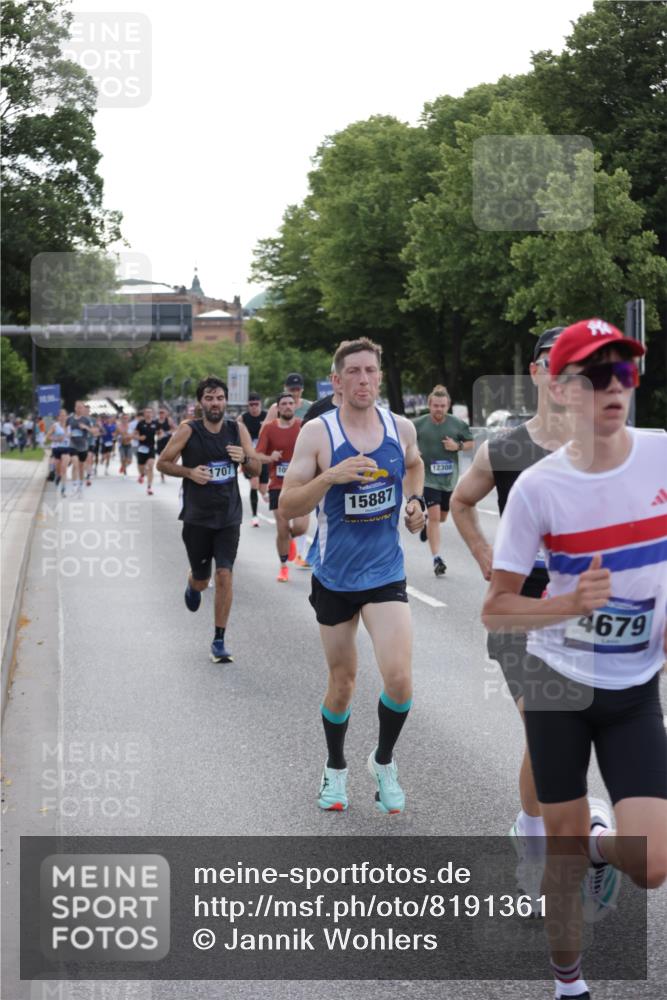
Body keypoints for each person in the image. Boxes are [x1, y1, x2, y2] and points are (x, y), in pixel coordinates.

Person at [482, 319, 667, 1000]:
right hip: (558, 684)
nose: (610, 386)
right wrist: (567, 605)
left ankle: (597, 843)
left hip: (633, 691)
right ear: (560, 389)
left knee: (650, 863)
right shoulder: (537, 487)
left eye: (621, 370)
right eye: (592, 374)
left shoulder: (661, 458)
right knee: (555, 853)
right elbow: (496, 609)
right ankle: (569, 986)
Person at [280, 337, 425, 814]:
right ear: (337, 382)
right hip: (335, 576)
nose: (364, 379)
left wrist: (416, 502)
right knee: (343, 682)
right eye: (354, 372)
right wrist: (330, 478)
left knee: (400, 680)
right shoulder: (317, 434)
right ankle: (335, 768)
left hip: (385, 574)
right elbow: (288, 504)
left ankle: (383, 761)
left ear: (379, 376)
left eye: (371, 370)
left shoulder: (399, 427)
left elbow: (415, 464)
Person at [451, 327, 568, 904]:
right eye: (555, 361)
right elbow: (460, 503)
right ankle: (541, 848)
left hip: (588, 614)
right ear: (538, 372)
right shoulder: (505, 447)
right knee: (547, 726)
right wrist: (482, 554)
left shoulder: (612, 445)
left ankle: (532, 828)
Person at [157, 375, 258, 663]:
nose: (215, 403)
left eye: (220, 398)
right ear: (201, 402)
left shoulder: (237, 429)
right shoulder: (189, 430)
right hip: (197, 518)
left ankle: (219, 639)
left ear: (226, 401)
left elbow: (255, 470)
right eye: (210, 398)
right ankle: (193, 583)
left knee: (224, 574)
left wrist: (244, 460)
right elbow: (162, 463)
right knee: (203, 580)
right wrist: (189, 473)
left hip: (229, 517)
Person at [413, 385, 473, 576]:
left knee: (442, 518)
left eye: (442, 406)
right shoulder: (418, 424)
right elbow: (405, 440)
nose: (439, 409)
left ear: (448, 406)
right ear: (429, 405)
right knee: (435, 516)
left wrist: (458, 446)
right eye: (435, 405)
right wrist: (413, 450)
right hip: (427, 479)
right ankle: (436, 559)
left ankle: (426, 527)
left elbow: (471, 444)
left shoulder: (457, 424)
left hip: (449, 479)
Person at [255, 393, 309, 582]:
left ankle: (290, 539)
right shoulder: (269, 428)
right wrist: (270, 458)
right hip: (278, 484)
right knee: (282, 527)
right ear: (277, 408)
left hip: (302, 483)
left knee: (301, 527)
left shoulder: (303, 426)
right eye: (283, 404)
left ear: (295, 406)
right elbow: (257, 455)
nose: (287, 406)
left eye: (290, 403)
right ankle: (284, 566)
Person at [237, 392, 268, 526]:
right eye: (251, 405)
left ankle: (265, 494)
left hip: (264, 457)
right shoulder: (242, 419)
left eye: (256, 404)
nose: (254, 407)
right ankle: (255, 516)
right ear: (248, 405)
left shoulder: (267, 416)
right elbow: (236, 438)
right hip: (250, 458)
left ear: (260, 404)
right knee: (254, 484)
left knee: (262, 489)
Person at [67, 401, 94, 495]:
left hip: (83, 446)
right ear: (75, 408)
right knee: (75, 464)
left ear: (83, 409)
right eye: (77, 407)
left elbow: (92, 431)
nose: (79, 409)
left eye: (81, 407)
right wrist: (67, 434)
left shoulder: (86, 420)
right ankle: (74, 485)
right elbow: (65, 429)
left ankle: (81, 484)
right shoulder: (69, 419)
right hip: (72, 445)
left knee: (81, 467)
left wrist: (85, 427)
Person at [46, 409, 72, 496]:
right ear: (58, 417)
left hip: (66, 449)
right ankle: (57, 478)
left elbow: (72, 437)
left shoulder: (69, 426)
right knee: (58, 470)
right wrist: (56, 439)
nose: (63, 417)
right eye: (61, 415)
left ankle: (63, 490)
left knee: (64, 469)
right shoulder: (55, 426)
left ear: (67, 416)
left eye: (64, 415)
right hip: (56, 449)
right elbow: (48, 436)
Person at [134, 407, 159, 495]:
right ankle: (142, 475)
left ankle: (149, 487)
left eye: (150, 412)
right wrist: (139, 437)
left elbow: (160, 432)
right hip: (141, 448)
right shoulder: (140, 423)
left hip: (151, 448)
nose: (148, 414)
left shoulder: (155, 423)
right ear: (144, 414)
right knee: (141, 468)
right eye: (146, 412)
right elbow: (135, 434)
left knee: (150, 467)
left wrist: (161, 436)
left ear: (152, 414)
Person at [156, 406, 176, 483]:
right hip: (160, 442)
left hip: (168, 442)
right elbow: (154, 431)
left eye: (163, 413)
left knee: (169, 457)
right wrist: (158, 433)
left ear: (166, 413)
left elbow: (175, 428)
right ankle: (162, 474)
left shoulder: (169, 420)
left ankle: (166, 470)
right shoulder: (156, 421)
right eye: (160, 413)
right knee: (161, 458)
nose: (161, 414)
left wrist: (166, 433)